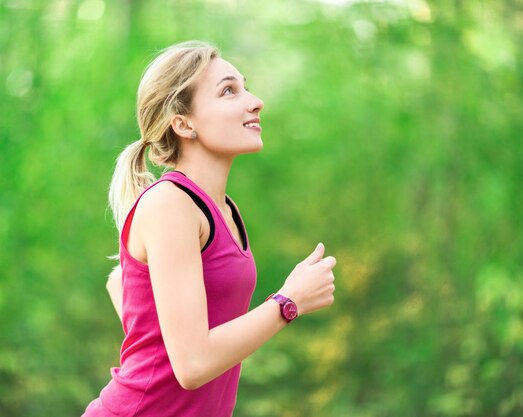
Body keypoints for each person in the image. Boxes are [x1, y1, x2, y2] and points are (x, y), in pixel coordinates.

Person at [82, 40, 337, 417]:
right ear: (184, 124)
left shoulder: (224, 210)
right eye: (229, 91)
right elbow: (194, 365)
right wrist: (288, 302)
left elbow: (121, 284)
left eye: (245, 86)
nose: (255, 101)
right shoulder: (170, 203)